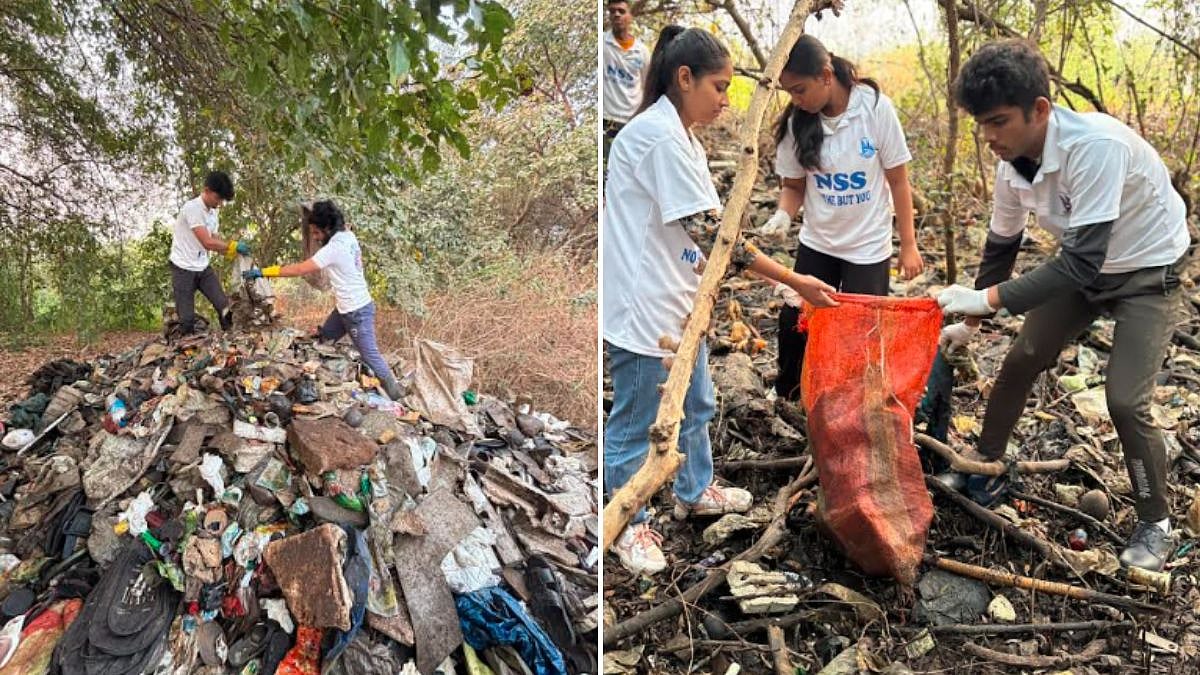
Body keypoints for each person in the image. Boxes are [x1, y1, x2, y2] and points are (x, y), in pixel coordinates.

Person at [937, 39, 1189, 572]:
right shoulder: (1013, 162)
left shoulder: (1095, 147)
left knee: (1124, 401)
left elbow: (1079, 263)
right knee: (1023, 358)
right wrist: (970, 322)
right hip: (1086, 269)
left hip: (1148, 271)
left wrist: (986, 300)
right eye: (982, 124)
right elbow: (1002, 246)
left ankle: (1155, 521)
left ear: (1041, 109)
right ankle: (985, 462)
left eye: (1000, 122)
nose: (989, 137)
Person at [603, 26, 838, 575]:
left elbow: (706, 238)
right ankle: (627, 521)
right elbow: (714, 234)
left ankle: (694, 488)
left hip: (681, 298)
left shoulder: (679, 133)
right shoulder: (658, 137)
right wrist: (795, 280)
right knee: (637, 418)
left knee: (698, 401)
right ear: (684, 78)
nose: (726, 100)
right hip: (647, 306)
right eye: (719, 86)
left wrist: (775, 279)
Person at [758, 34, 922, 401]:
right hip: (820, 241)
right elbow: (794, 187)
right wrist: (783, 216)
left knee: (861, 328)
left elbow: (898, 179)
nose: (796, 100)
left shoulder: (874, 108)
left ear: (826, 75)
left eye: (800, 89)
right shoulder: (795, 125)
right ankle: (789, 394)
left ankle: (850, 401)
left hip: (868, 245)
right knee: (795, 319)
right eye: (789, 93)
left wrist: (908, 245)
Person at [242, 200, 403, 401]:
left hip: (357, 311)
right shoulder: (347, 235)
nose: (316, 239)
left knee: (370, 355)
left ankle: (397, 396)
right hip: (345, 309)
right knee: (324, 339)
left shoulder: (334, 248)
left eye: (317, 233)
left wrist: (264, 272)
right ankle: (322, 381)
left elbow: (300, 269)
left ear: (328, 228)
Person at [169, 170, 248, 335]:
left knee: (225, 308)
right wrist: (233, 246)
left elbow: (215, 239)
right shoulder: (192, 208)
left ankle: (232, 340)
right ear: (206, 190)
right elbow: (207, 242)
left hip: (203, 268)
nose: (219, 203)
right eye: (218, 198)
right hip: (183, 268)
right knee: (186, 320)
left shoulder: (213, 211)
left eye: (222, 200)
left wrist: (232, 254)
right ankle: (182, 350)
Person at [602, 0, 650, 161]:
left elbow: (647, 87)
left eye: (621, 11)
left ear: (630, 16)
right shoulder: (602, 44)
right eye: (612, 11)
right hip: (607, 120)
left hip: (631, 121)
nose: (616, 14)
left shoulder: (642, 52)